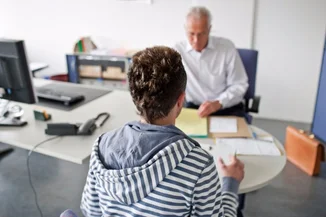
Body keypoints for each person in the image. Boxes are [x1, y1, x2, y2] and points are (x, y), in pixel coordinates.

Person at [79, 46, 244, 217]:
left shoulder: (101, 145)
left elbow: (91, 211)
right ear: (180, 101)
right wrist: (231, 183)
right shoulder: (199, 164)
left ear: (135, 97)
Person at [174, 6, 249, 118]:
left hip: (225, 107)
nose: (196, 40)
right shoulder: (177, 51)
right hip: (194, 109)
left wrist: (219, 103)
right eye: (191, 34)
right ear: (185, 29)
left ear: (209, 29)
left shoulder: (227, 47)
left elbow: (239, 84)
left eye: (201, 34)